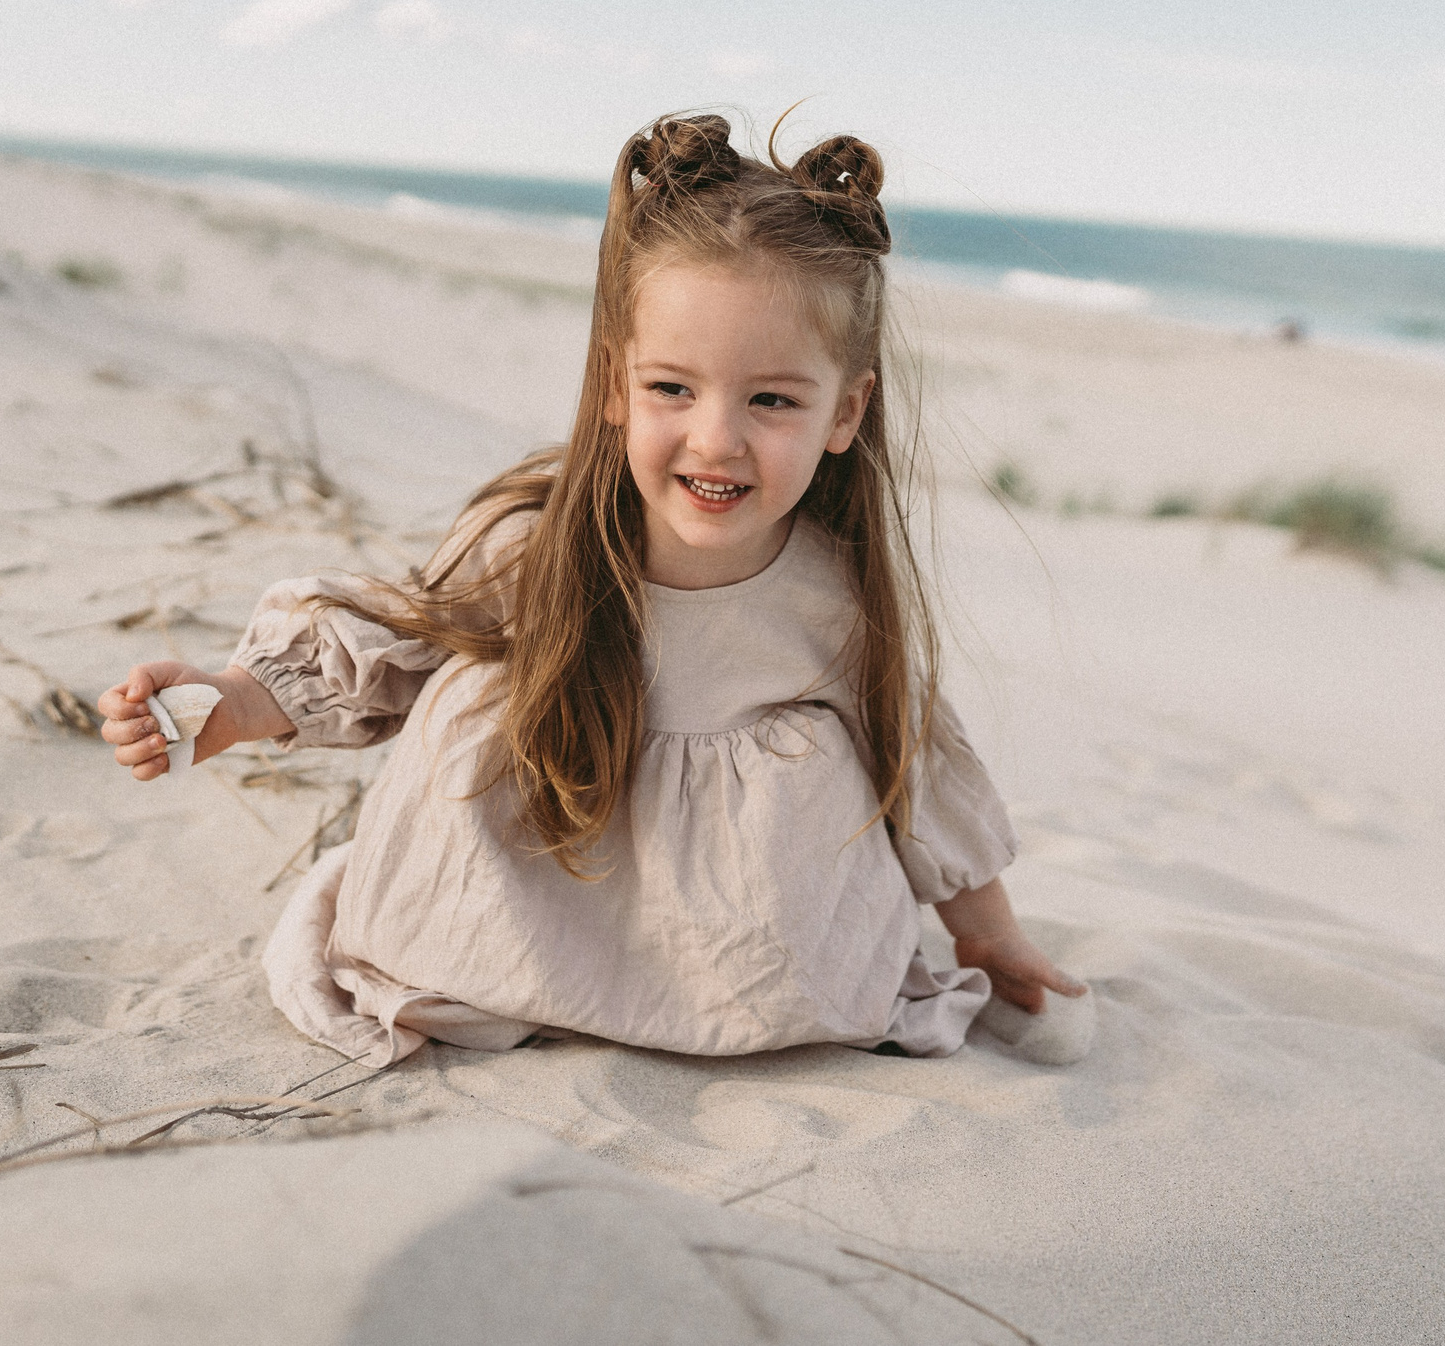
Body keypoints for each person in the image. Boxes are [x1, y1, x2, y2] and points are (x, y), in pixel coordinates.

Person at [95, 114, 1083, 1068]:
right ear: (615, 383)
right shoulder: (541, 543)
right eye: (672, 388)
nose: (717, 439)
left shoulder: (832, 593)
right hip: (530, 895)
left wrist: (988, 933)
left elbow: (915, 766)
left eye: (772, 400)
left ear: (845, 412)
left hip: (730, 949)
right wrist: (237, 701)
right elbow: (397, 636)